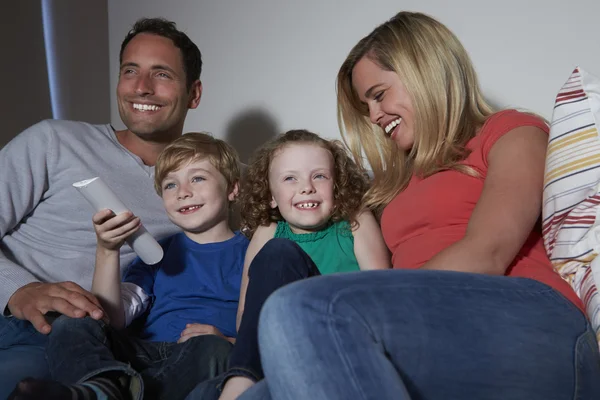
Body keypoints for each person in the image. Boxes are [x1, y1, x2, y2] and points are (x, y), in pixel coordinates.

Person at [239, 11, 600, 400]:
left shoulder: (511, 131)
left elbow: (487, 253)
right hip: (433, 325)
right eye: (367, 106)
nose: (375, 116)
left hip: (533, 320)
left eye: (379, 95)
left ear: (423, 71)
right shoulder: (393, 186)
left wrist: (364, 296)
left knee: (300, 308)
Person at [0, 17, 203, 396]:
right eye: (130, 71)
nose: (141, 87)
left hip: (97, 344)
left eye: (161, 74)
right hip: (17, 325)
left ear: (194, 94)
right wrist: (17, 290)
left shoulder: (207, 185)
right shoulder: (54, 140)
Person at [10, 132, 247, 400]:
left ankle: (119, 392)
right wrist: (108, 250)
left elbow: (267, 329)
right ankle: (100, 387)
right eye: (170, 185)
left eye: (198, 178)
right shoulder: (157, 250)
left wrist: (228, 342)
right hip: (141, 351)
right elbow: (112, 317)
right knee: (72, 323)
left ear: (232, 189)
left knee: (213, 350)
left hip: (200, 353)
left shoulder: (254, 252)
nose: (183, 192)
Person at [190, 129, 390, 400]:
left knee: (280, 252)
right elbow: (246, 317)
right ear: (271, 195)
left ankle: (241, 383)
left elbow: (381, 293)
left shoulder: (354, 222)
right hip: (283, 347)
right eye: (289, 178)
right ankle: (244, 380)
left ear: (337, 185)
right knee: (200, 392)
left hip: (339, 336)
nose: (306, 187)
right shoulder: (268, 231)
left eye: (319, 176)